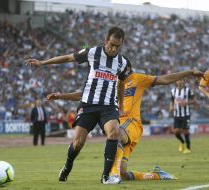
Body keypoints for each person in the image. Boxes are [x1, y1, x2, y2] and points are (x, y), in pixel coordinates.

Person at [46, 68, 204, 183]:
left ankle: (110, 175)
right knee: (124, 174)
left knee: (117, 134)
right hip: (119, 125)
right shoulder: (110, 83)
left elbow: (165, 79)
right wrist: (62, 96)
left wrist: (189, 72)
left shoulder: (138, 78)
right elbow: (85, 94)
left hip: (132, 124)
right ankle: (157, 175)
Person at [25, 26, 130, 184]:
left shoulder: (123, 63)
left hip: (109, 107)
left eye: (117, 46)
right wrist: (43, 63)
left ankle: (106, 176)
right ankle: (67, 166)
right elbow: (68, 58)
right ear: (106, 40)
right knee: (78, 142)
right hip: (88, 104)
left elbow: (121, 85)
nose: (114, 48)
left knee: (114, 132)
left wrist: (121, 105)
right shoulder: (92, 52)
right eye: (111, 44)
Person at [169, 79, 196, 154]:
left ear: (184, 81)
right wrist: (171, 107)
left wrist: (186, 103)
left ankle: (188, 148)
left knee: (185, 131)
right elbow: (171, 100)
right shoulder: (173, 91)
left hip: (186, 114)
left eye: (181, 80)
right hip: (176, 115)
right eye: (178, 80)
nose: (180, 82)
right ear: (176, 82)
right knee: (176, 132)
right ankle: (182, 142)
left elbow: (194, 101)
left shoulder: (188, 90)